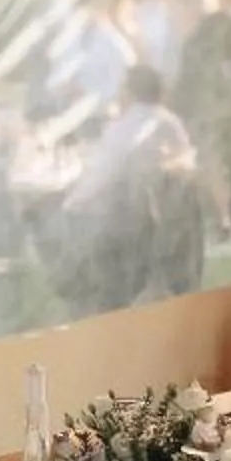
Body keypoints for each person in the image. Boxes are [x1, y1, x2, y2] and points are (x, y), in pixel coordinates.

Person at [55, 65, 203, 309]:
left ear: (129, 92)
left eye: (121, 87)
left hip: (129, 221)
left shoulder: (126, 126)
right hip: (169, 222)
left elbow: (103, 171)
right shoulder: (169, 121)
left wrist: (74, 200)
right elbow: (188, 164)